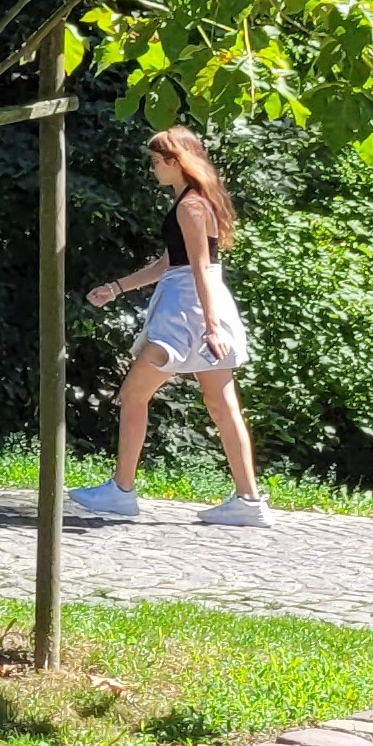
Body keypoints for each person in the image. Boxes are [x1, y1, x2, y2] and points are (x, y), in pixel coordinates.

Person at [70, 128, 271, 527]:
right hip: (200, 304)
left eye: (156, 161)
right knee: (222, 405)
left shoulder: (190, 206)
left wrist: (211, 327)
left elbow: (199, 268)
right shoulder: (194, 202)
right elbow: (169, 262)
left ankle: (121, 491)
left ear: (176, 161)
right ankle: (248, 500)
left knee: (134, 394)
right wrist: (116, 288)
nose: (152, 168)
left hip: (186, 310)